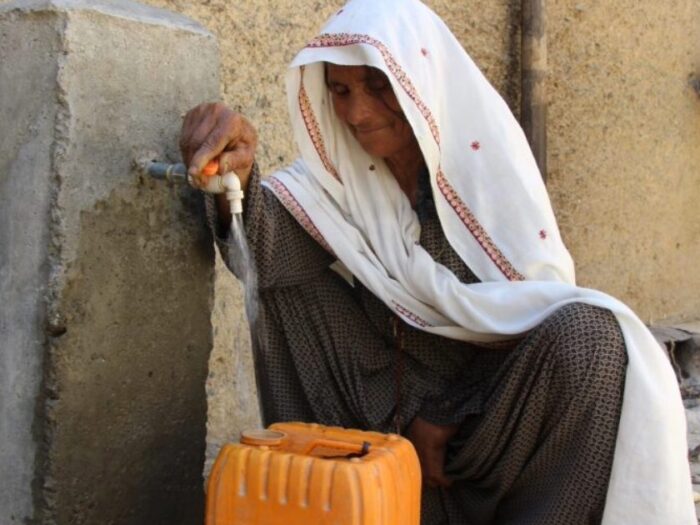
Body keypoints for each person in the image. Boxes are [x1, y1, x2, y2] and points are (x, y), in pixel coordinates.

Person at [179, 0, 695, 523]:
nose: (357, 113)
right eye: (341, 91)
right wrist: (233, 181)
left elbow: (533, 316)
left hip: (486, 433)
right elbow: (261, 253)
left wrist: (451, 409)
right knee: (284, 287)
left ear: (418, 83)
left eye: (377, 86)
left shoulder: (487, 181)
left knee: (594, 338)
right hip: (384, 419)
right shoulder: (344, 184)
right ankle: (327, 490)